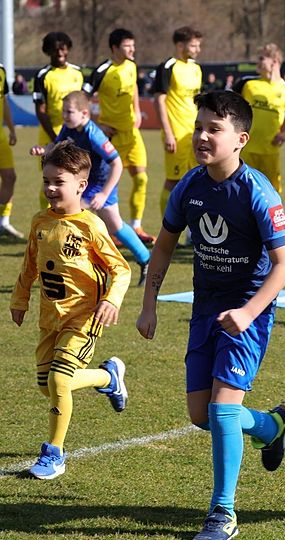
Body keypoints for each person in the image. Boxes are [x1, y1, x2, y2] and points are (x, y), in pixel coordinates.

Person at [136, 91, 285, 540]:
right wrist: (148, 305)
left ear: (241, 139)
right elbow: (163, 247)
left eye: (214, 129)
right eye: (198, 127)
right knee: (201, 415)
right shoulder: (189, 186)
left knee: (223, 410)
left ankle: (223, 514)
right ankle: (270, 425)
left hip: (248, 308)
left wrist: (248, 312)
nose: (202, 136)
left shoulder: (258, 192)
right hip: (205, 307)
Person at [11, 140, 131, 480]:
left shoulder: (90, 225)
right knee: (46, 385)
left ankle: (54, 453)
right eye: (46, 181)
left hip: (83, 317)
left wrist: (111, 300)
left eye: (58, 182)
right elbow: (29, 265)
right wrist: (19, 299)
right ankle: (108, 377)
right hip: (50, 317)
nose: (50, 188)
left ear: (81, 185)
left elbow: (120, 269)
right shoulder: (40, 222)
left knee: (60, 379)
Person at [30, 91, 151, 285]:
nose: (64, 116)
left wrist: (104, 194)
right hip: (85, 182)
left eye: (69, 112)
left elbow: (117, 164)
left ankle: (144, 259)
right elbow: (57, 145)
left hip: (102, 183)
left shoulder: (94, 134)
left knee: (107, 224)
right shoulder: (69, 127)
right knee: (83, 221)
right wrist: (43, 150)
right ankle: (70, 268)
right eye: (63, 111)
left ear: (84, 113)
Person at [85, 28, 155, 245]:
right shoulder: (102, 71)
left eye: (133, 45)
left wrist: (137, 111)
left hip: (132, 135)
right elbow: (81, 99)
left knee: (141, 179)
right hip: (111, 137)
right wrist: (97, 125)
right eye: (127, 45)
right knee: (104, 186)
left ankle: (136, 226)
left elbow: (133, 88)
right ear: (115, 48)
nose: (132, 49)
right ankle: (106, 231)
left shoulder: (132, 66)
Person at [233, 43, 285, 193]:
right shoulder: (247, 83)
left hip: (270, 153)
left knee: (270, 194)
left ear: (274, 61)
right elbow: (226, 106)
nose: (257, 62)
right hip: (244, 150)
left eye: (261, 59)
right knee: (240, 192)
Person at [154, 26, 203, 221]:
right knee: (174, 181)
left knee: (198, 178)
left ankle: (192, 227)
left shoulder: (196, 68)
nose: (198, 49)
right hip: (175, 134)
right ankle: (167, 225)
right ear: (180, 45)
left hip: (194, 134)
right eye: (194, 45)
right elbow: (159, 101)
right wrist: (168, 133)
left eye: (199, 45)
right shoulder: (168, 67)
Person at [33, 32, 84, 207]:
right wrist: (56, 139)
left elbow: (83, 105)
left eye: (63, 48)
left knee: (76, 179)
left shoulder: (77, 73)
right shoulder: (43, 75)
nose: (60, 53)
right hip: (51, 134)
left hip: (75, 136)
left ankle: (72, 219)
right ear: (48, 51)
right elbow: (40, 110)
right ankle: (47, 219)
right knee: (51, 181)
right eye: (55, 50)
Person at [0, 62, 21, 238]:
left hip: (0, 137)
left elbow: (4, 101)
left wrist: (12, 129)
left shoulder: (1, 70)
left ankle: (3, 222)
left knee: (9, 177)